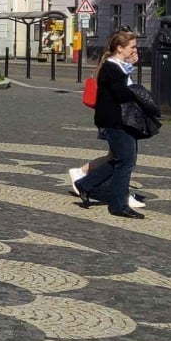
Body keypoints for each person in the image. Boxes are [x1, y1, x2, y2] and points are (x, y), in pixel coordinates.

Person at [72, 29, 153, 219]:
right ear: (120, 48)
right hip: (114, 121)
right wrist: (132, 77)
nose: (135, 50)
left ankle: (85, 184)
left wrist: (129, 68)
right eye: (132, 47)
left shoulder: (119, 67)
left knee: (121, 159)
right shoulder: (111, 67)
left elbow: (124, 90)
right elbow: (122, 94)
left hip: (121, 120)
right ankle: (118, 205)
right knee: (126, 161)